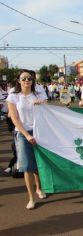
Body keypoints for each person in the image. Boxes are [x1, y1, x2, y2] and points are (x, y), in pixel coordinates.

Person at [6, 69, 48, 209]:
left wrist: (41, 103)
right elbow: (15, 118)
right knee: (27, 167)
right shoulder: (13, 96)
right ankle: (31, 198)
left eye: (29, 78)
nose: (26, 81)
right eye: (23, 78)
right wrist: (27, 135)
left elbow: (46, 106)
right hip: (23, 134)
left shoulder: (38, 93)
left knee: (39, 163)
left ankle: (39, 188)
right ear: (18, 80)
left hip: (39, 131)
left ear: (32, 80)